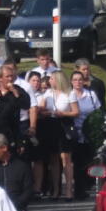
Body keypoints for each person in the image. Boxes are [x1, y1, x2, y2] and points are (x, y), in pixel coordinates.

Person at [39, 71, 78, 200]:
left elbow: (76, 112)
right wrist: (47, 112)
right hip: (51, 125)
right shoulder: (48, 93)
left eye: (51, 78)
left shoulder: (69, 93)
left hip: (64, 124)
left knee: (66, 158)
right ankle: (56, 189)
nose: (49, 80)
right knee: (53, 158)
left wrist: (63, 113)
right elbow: (41, 109)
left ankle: (68, 189)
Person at [70, 70, 101, 200]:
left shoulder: (91, 94)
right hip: (75, 133)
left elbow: (98, 110)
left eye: (80, 79)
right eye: (75, 80)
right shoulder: (70, 95)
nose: (78, 82)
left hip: (89, 132)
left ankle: (89, 186)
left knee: (90, 160)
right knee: (77, 163)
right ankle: (79, 190)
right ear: (71, 82)